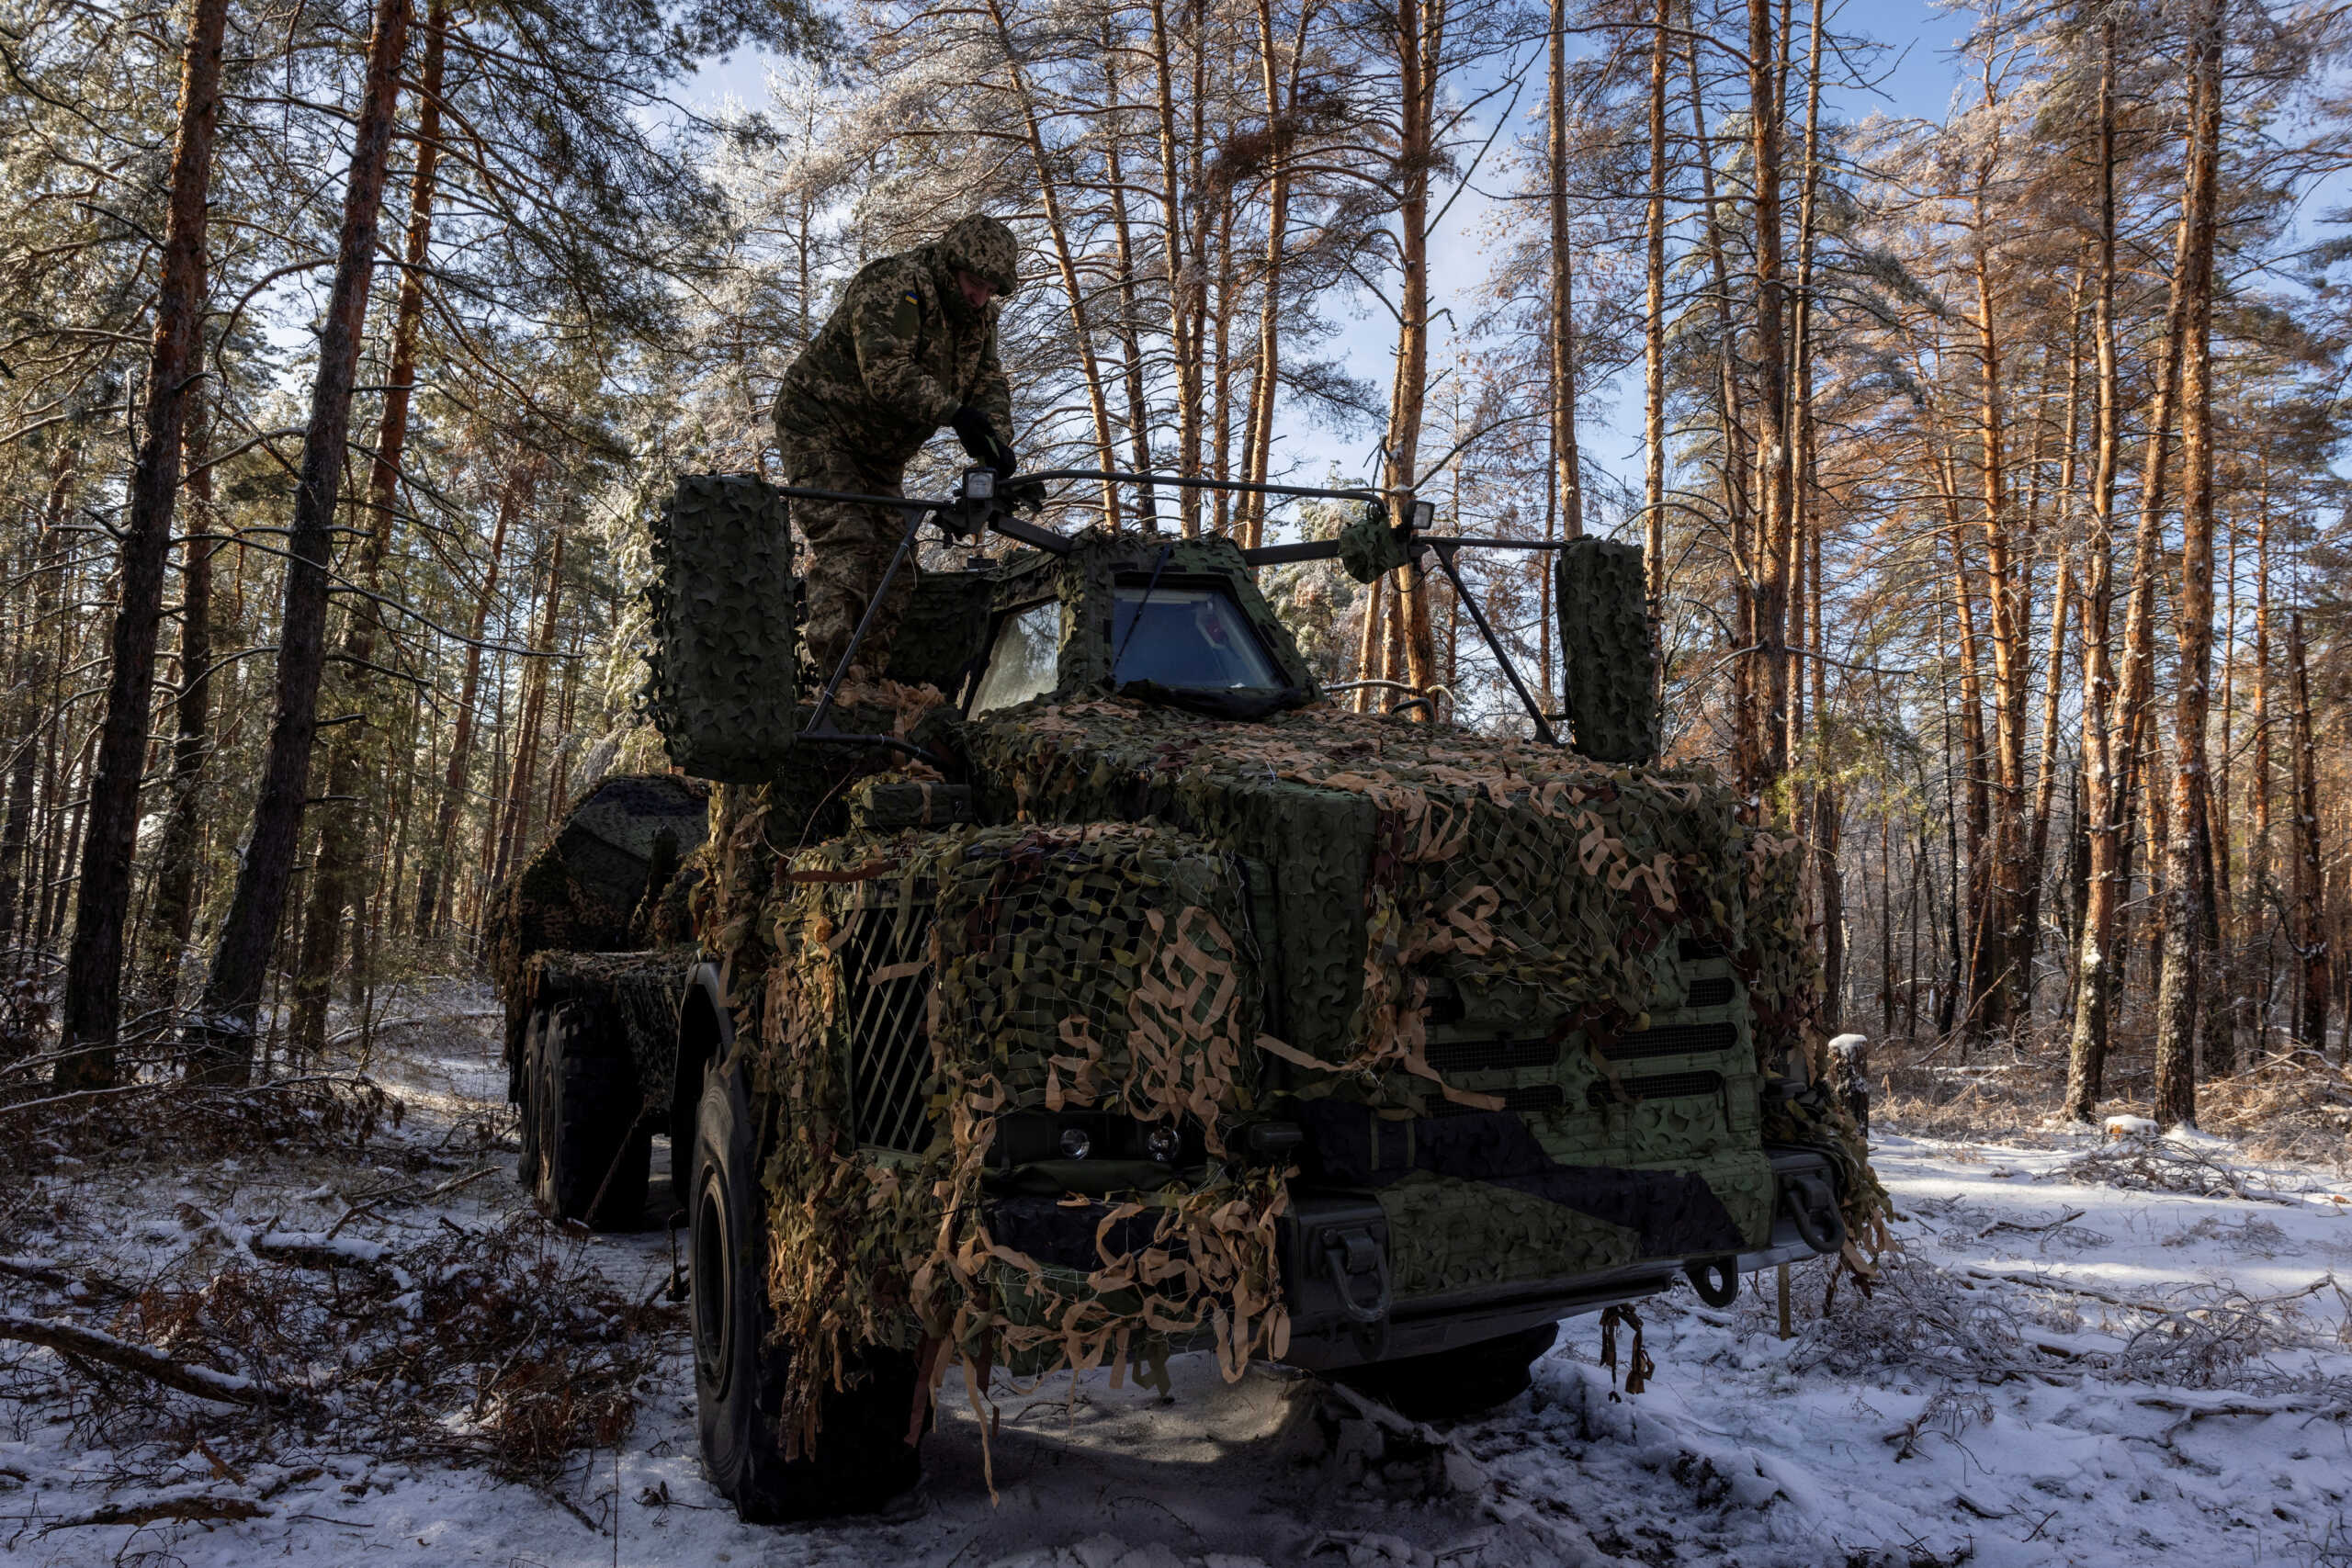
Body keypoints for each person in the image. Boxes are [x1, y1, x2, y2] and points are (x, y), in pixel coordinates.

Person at [772, 213, 1022, 678]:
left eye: (991, 289)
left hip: (879, 455)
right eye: (974, 283)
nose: (980, 296)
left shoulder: (978, 317)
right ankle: (831, 685)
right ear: (950, 265)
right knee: (849, 544)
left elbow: (988, 383)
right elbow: (885, 372)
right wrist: (955, 415)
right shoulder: (894, 283)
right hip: (821, 425)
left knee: (895, 566)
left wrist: (997, 445)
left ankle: (868, 682)